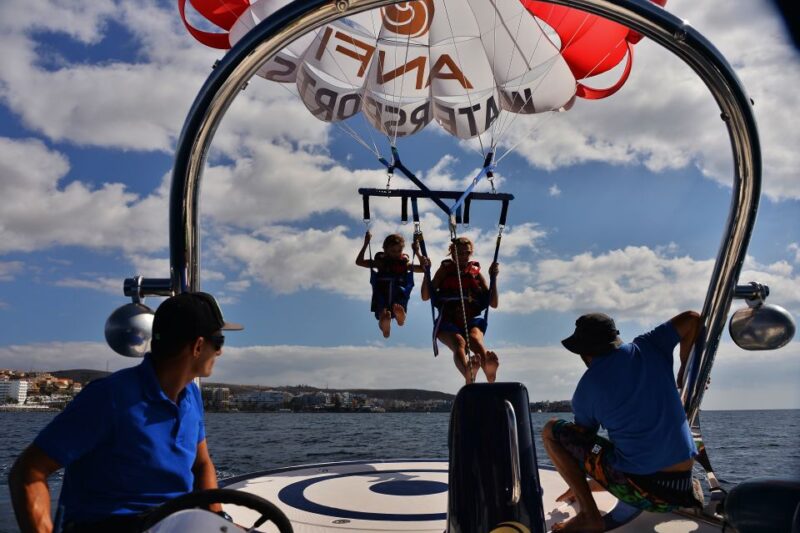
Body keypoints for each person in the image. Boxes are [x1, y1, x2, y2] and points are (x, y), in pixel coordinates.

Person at [9, 292, 243, 533]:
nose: (220, 352)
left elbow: (201, 464)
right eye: (219, 341)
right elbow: (28, 472)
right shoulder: (109, 397)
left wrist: (218, 519)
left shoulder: (191, 395)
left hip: (176, 523)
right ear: (198, 346)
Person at [542, 311, 704, 532]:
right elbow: (692, 318)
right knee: (618, 451)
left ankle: (589, 514)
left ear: (583, 352)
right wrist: (685, 370)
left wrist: (577, 483)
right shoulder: (649, 346)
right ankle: (592, 495)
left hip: (646, 493)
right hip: (683, 488)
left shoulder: (587, 388)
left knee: (551, 430)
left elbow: (586, 448)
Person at [421, 236, 500, 384]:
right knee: (459, 343)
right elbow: (425, 296)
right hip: (447, 321)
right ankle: (468, 374)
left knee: (474, 339)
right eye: (460, 253)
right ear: (452, 253)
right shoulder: (445, 270)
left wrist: (493, 278)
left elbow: (493, 303)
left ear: (471, 253)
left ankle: (489, 371)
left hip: (470, 320)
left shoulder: (475, 273)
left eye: (467, 253)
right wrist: (426, 273)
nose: (464, 256)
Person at [356, 231, 431, 338]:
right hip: (382, 293)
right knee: (382, 311)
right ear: (385, 250)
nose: (396, 254)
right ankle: (385, 325)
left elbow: (424, 269)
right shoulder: (380, 263)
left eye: (399, 251)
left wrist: (417, 252)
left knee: (398, 303)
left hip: (398, 294)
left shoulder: (405, 264)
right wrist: (366, 244)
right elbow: (359, 262)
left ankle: (400, 319)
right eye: (393, 251)